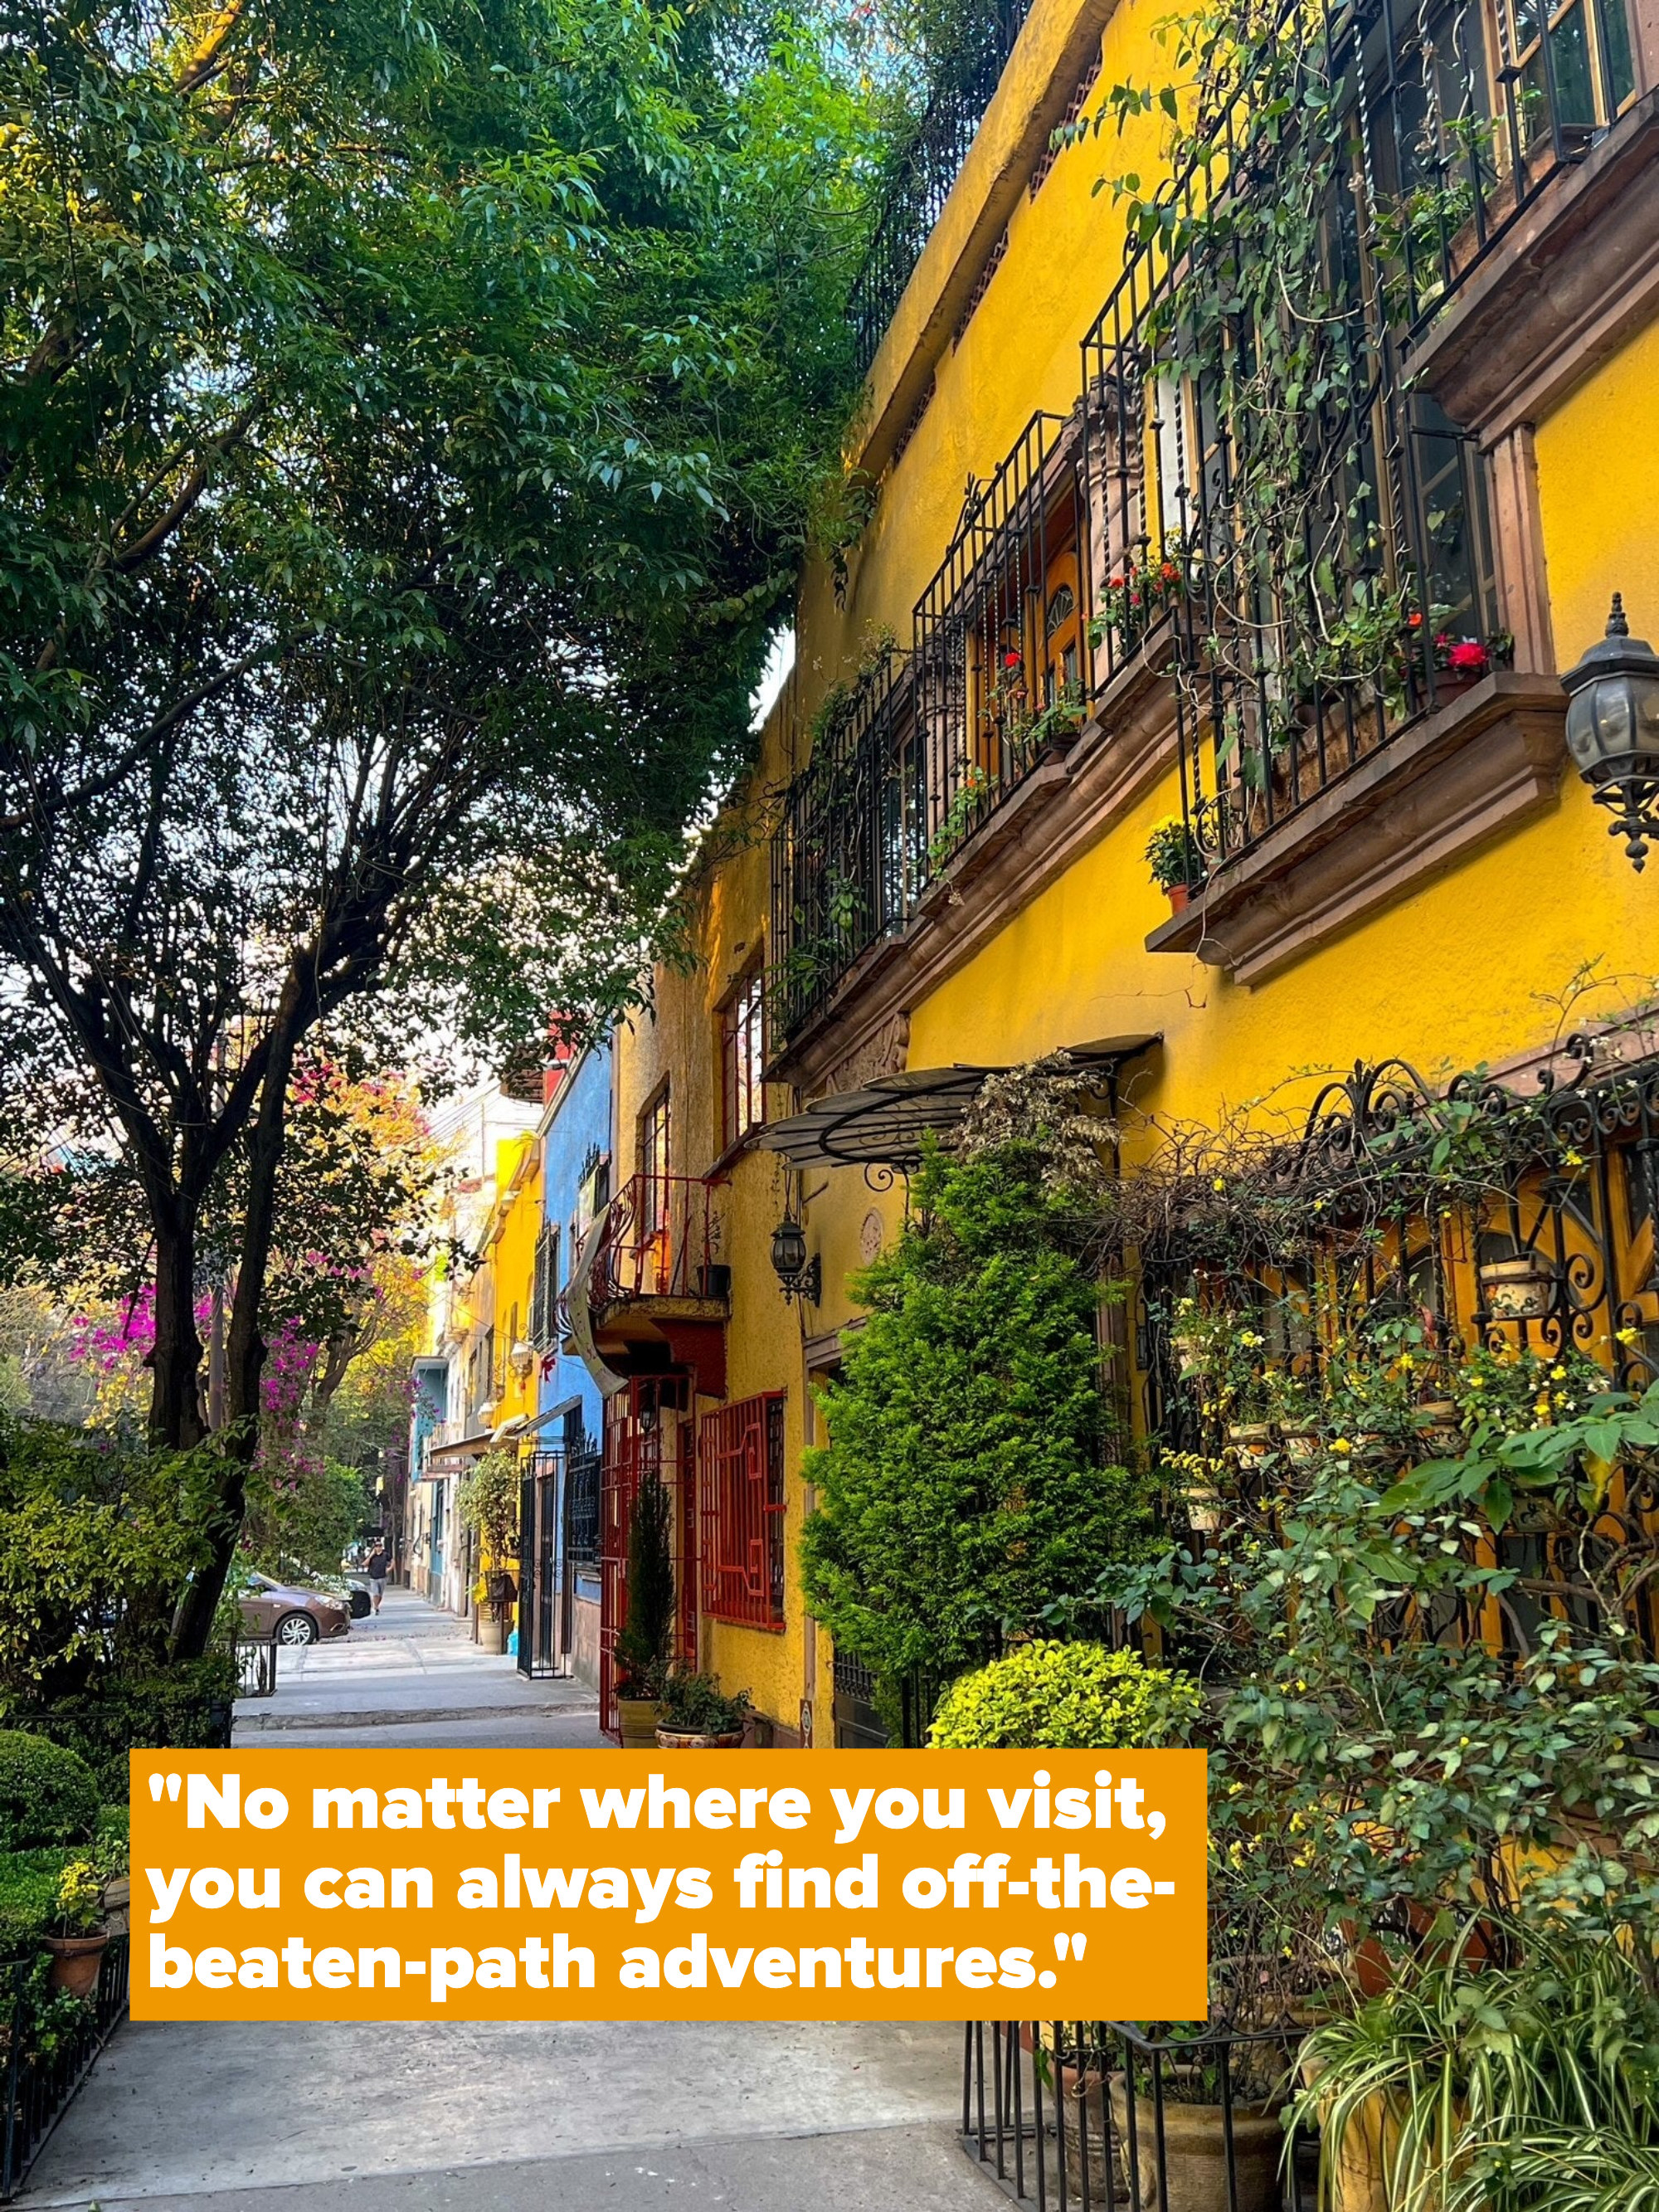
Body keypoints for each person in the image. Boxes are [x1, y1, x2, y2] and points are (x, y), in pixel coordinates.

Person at [365, 1541, 389, 1615]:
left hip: (382, 1577)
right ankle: (376, 1607)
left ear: (382, 1547)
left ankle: (377, 1605)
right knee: (376, 1594)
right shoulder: (372, 1556)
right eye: (377, 1546)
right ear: (374, 1548)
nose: (378, 1548)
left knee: (380, 1595)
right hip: (373, 1578)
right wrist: (371, 1556)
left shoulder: (385, 1555)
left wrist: (390, 1568)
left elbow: (392, 1561)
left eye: (380, 1546)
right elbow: (365, 1564)